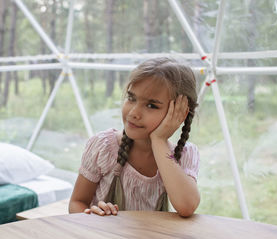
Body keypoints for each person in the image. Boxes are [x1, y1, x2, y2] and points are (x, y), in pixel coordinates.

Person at [69, 57, 200, 217]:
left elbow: (186, 206)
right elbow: (77, 202)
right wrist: (90, 214)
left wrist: (158, 141)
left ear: (180, 113)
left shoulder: (185, 154)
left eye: (151, 105)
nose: (133, 113)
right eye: (131, 98)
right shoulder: (104, 146)